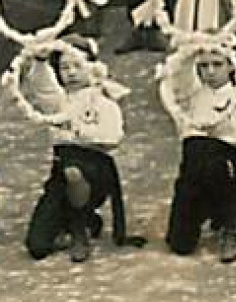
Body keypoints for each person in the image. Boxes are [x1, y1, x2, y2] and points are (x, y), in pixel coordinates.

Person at [19, 37, 146, 263]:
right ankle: (84, 220)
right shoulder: (59, 102)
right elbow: (42, 86)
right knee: (37, 246)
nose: (71, 73)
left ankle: (79, 228)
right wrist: (40, 60)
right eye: (65, 67)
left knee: (74, 171)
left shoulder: (103, 101)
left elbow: (112, 137)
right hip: (62, 170)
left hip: (95, 169)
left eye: (78, 65)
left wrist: (80, 133)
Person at [160, 39, 236, 262]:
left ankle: (229, 225)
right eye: (203, 66)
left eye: (217, 65)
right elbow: (175, 77)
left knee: (211, 159)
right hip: (194, 163)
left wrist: (212, 131)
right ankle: (192, 219)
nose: (210, 72)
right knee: (180, 244)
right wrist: (192, 49)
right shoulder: (192, 95)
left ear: (230, 66)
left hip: (227, 159)